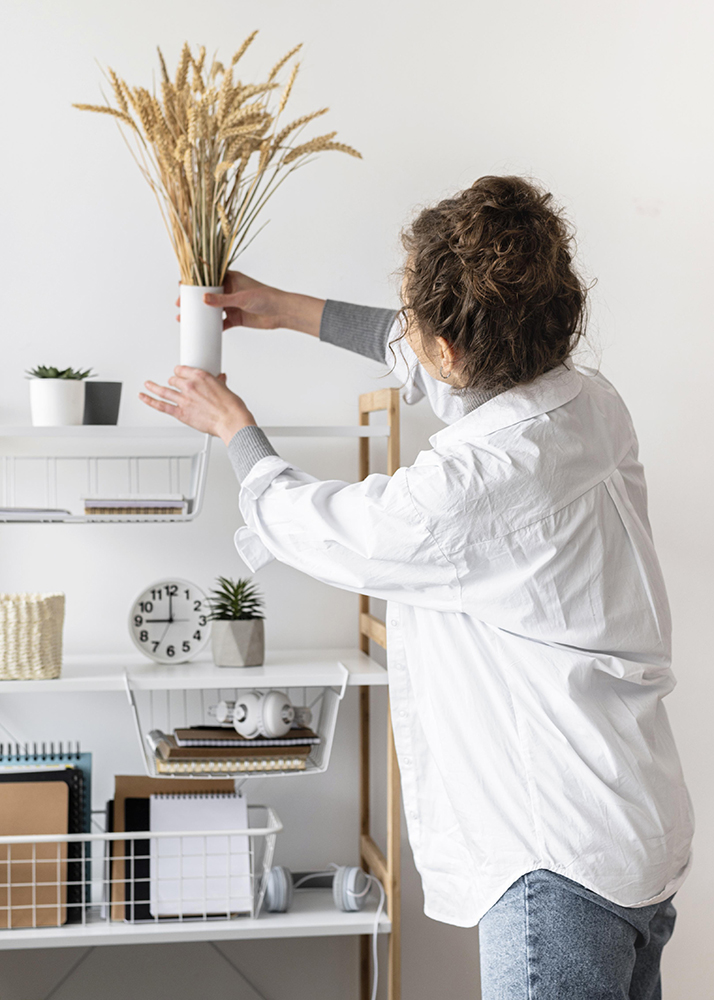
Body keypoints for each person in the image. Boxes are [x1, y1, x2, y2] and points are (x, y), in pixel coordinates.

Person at [140, 175, 693, 1000]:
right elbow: (435, 356)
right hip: (632, 829)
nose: (407, 329)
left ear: (452, 348)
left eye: (416, 315)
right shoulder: (587, 403)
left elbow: (325, 526)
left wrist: (234, 428)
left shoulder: (472, 486)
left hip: (556, 866)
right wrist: (284, 308)